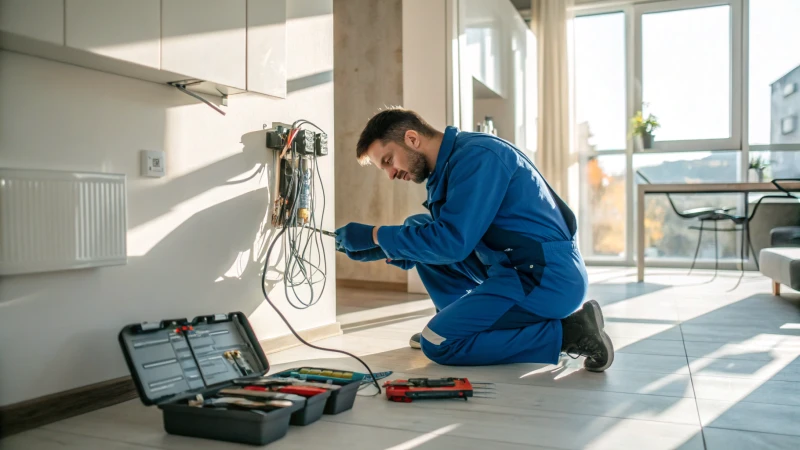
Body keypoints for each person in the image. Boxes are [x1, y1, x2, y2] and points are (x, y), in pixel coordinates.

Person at [334, 107, 613, 371]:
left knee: (438, 343)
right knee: (418, 225)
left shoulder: (478, 157)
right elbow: (444, 239)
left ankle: (572, 332)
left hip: (545, 279)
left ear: (411, 138)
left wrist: (374, 234)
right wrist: (380, 247)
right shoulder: (453, 164)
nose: (391, 174)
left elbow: (452, 243)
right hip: (516, 267)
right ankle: (456, 323)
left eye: (388, 161)